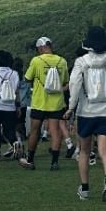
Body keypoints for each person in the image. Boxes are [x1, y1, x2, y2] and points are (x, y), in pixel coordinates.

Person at [65, 26, 106, 201]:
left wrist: (71, 107)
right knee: (104, 150)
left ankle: (85, 188)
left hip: (86, 112)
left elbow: (74, 85)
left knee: (84, 151)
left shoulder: (81, 62)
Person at [20, 37, 69, 170]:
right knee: (55, 131)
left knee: (35, 131)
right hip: (56, 102)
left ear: (41, 48)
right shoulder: (62, 61)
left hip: (39, 102)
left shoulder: (36, 60)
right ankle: (54, 162)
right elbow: (65, 82)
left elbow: (27, 78)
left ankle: (30, 159)